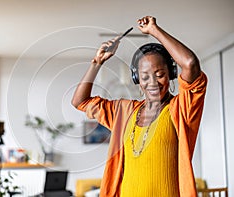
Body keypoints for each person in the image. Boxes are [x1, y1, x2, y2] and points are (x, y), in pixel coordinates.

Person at [71, 16, 207, 197]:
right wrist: (97, 63)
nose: (152, 82)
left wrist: (154, 31)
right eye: (144, 77)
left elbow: (190, 64)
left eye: (159, 74)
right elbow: (80, 101)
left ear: (171, 73)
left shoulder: (181, 108)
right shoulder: (124, 112)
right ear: (137, 80)